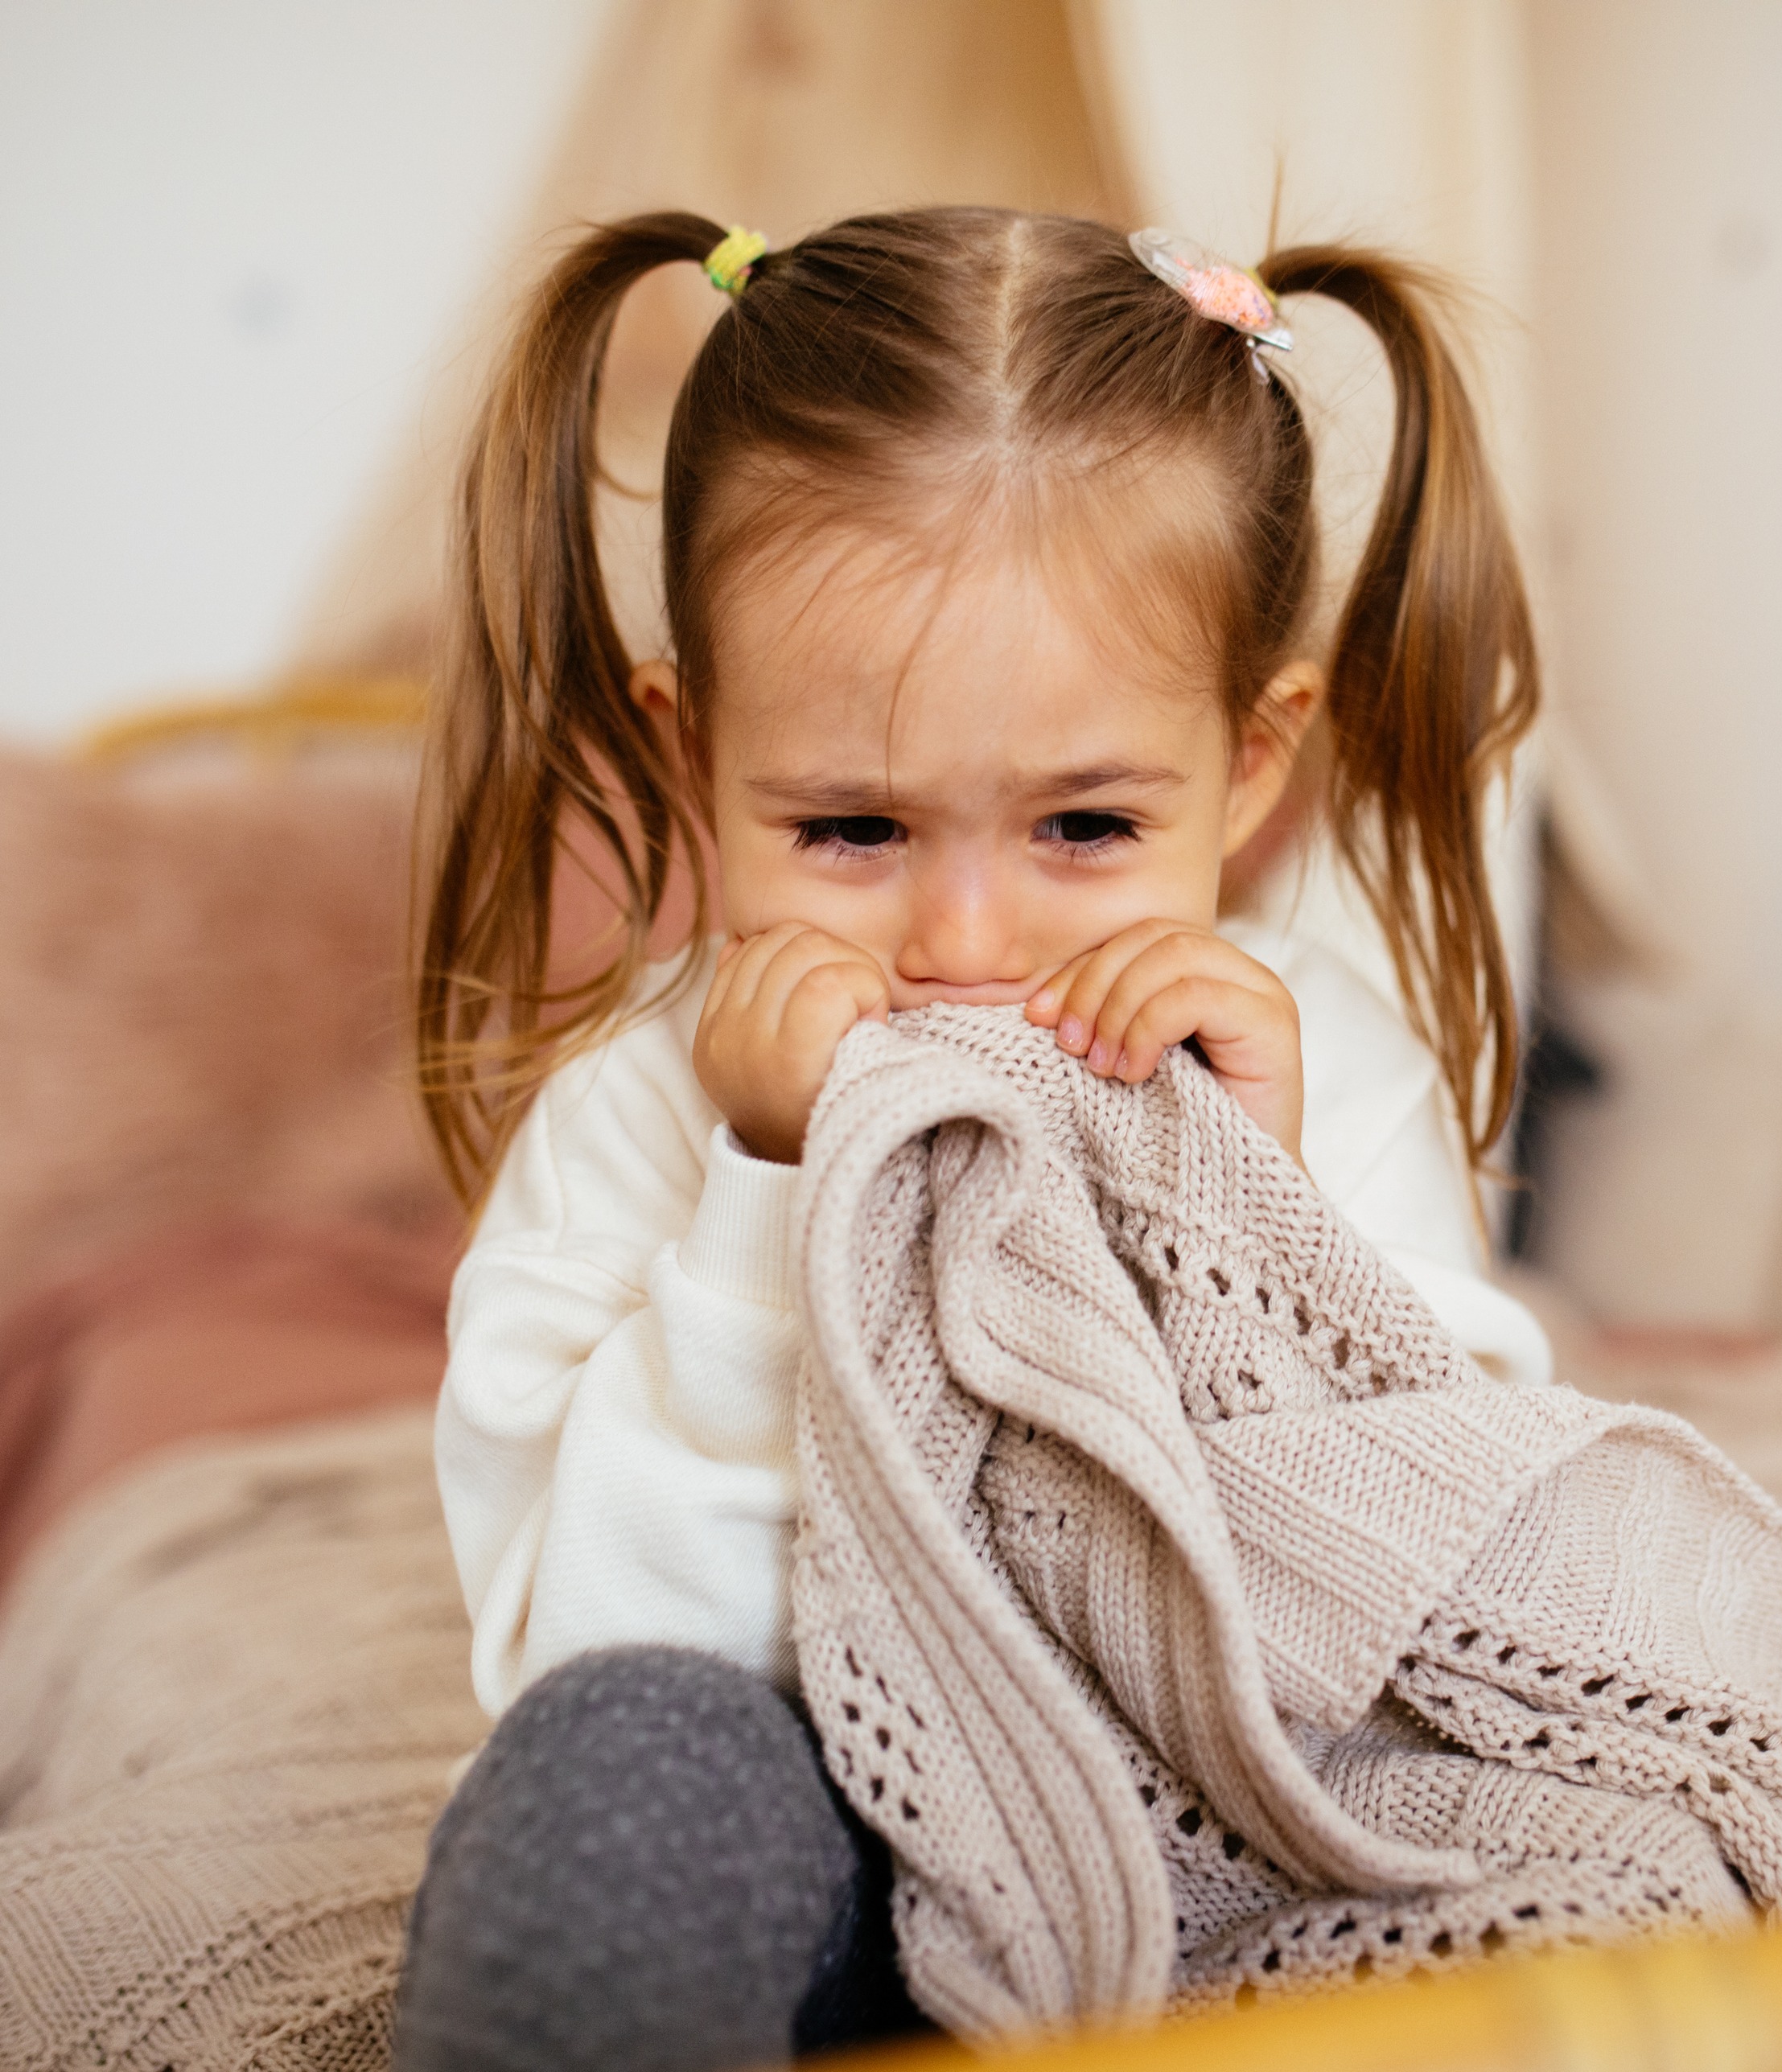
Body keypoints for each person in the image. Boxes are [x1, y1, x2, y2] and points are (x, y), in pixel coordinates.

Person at [397, 206, 1550, 2072]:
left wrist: (1249, 1208)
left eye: (1084, 827)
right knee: (608, 1789)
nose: (962, 950)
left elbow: (1453, 1580)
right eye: (850, 829)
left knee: (1568, 1834)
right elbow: (586, 1650)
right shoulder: (640, 1110)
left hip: (1244, 1821)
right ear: (691, 753)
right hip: (822, 1841)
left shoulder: (1314, 1058)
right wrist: (765, 1204)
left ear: (1251, 761)